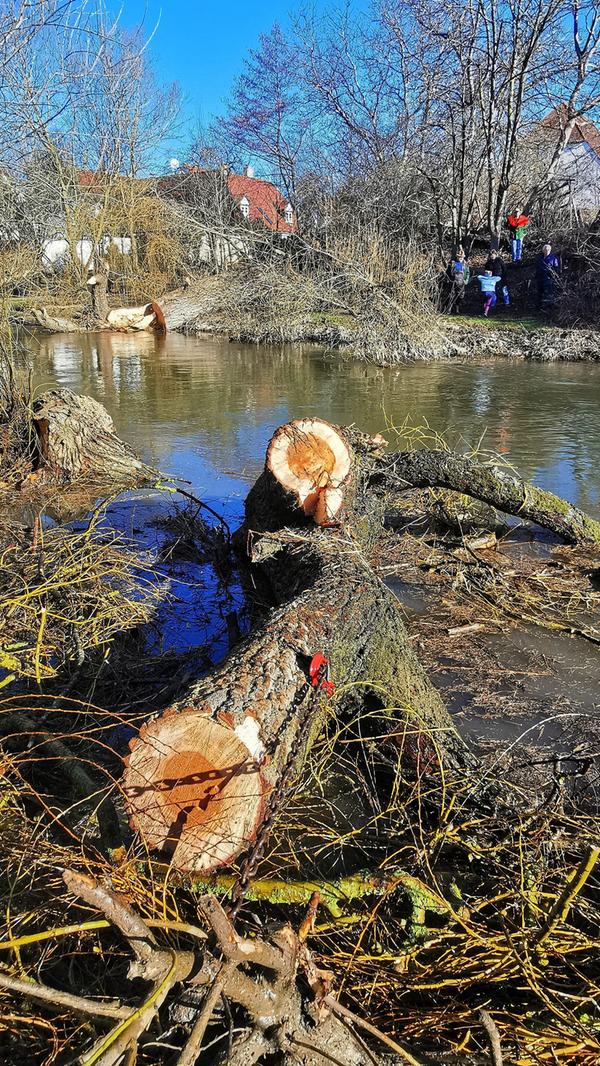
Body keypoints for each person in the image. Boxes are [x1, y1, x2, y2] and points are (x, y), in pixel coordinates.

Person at [444, 248, 471, 314]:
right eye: (459, 257)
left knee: (460, 296)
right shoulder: (452, 263)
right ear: (457, 257)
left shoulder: (465, 264)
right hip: (453, 281)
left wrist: (466, 280)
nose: (460, 258)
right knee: (451, 295)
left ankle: (457, 309)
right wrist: (448, 279)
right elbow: (447, 272)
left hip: (461, 282)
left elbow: (468, 273)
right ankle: (448, 309)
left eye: (461, 257)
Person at [536, 243, 561, 312]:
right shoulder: (540, 258)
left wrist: (551, 275)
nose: (546, 251)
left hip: (548, 279)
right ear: (543, 250)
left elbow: (556, 269)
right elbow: (537, 267)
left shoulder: (553, 258)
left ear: (550, 250)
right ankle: (539, 308)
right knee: (539, 293)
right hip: (540, 278)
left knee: (549, 293)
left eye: (548, 250)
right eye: (545, 250)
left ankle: (548, 308)